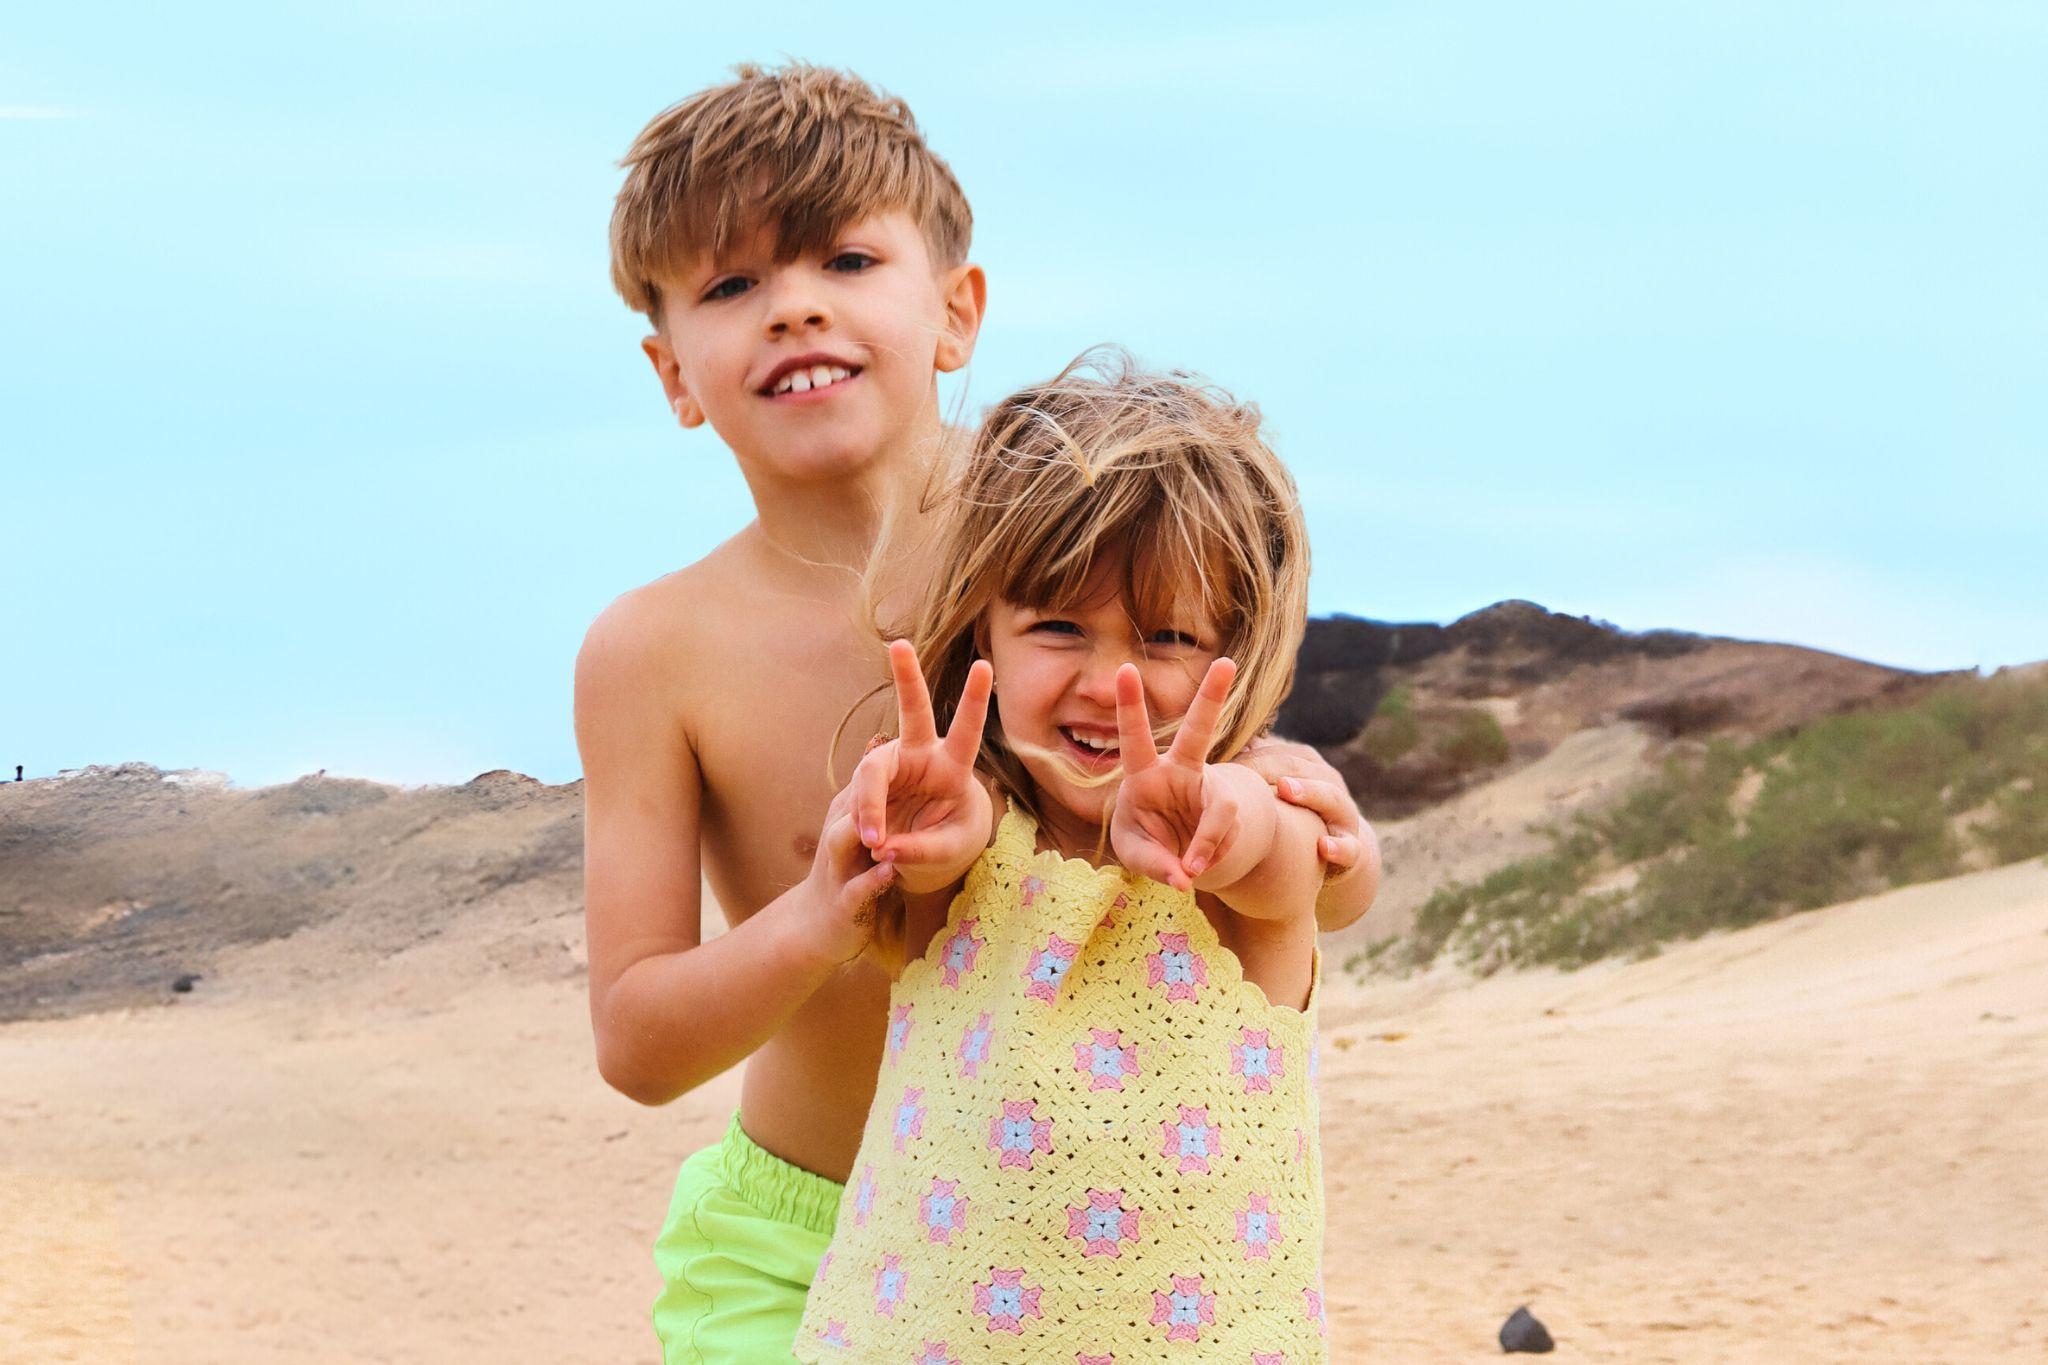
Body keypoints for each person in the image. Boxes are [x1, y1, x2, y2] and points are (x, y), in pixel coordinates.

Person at [577, 63, 1379, 1363]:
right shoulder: (654, 652)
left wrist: (1294, 821)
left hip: (1072, 1244)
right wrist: (824, 916)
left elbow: (1236, 750)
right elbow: (638, 1040)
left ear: (957, 310)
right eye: (730, 285)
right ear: (675, 373)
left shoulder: (1072, 538)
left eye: (842, 257)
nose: (791, 308)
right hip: (792, 1240)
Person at [794, 352, 1331, 1360]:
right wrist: (919, 840)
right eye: (1056, 625)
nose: (1108, 680)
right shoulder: (964, 837)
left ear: (1239, 648)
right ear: (982, 624)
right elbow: (918, 866)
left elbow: (1280, 863)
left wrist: (1216, 818)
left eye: (1166, 636)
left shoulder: (1254, 828)